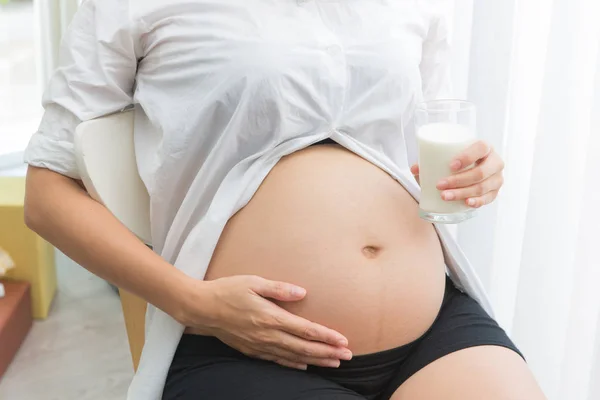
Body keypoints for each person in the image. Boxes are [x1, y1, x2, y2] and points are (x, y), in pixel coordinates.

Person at [23, 1, 546, 399]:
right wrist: (193, 303)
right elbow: (47, 196)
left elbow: (428, 139)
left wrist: (476, 174)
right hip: (240, 341)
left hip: (433, 328)